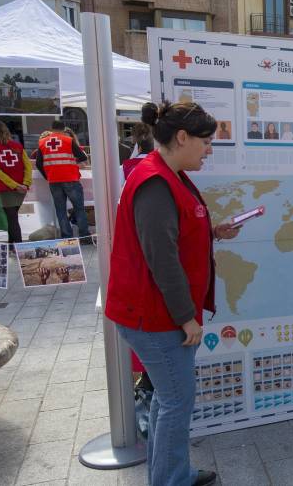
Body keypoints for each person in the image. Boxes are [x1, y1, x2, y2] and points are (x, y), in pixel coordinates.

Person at [105, 101, 241, 486]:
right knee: (176, 401)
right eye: (206, 142)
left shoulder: (169, 174)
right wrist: (186, 317)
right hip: (157, 318)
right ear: (182, 137)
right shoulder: (154, 181)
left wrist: (214, 231)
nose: (209, 150)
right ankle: (171, 480)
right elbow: (161, 259)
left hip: (157, 314)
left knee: (169, 400)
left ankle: (171, 473)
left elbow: (173, 234)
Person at [36, 120, 90, 239]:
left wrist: (48, 176)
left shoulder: (42, 142)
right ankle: (84, 237)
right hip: (71, 178)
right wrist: (72, 164)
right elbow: (82, 157)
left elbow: (39, 163)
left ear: (52, 128)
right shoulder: (68, 140)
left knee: (61, 210)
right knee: (79, 208)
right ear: (63, 128)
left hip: (54, 181)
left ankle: (67, 237)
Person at [0, 120, 31, 245]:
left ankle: (19, 247)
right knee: (12, 217)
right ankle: (11, 246)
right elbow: (28, 166)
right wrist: (25, 184)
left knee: (12, 218)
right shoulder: (18, 146)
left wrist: (15, 186)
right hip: (21, 188)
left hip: (6, 188)